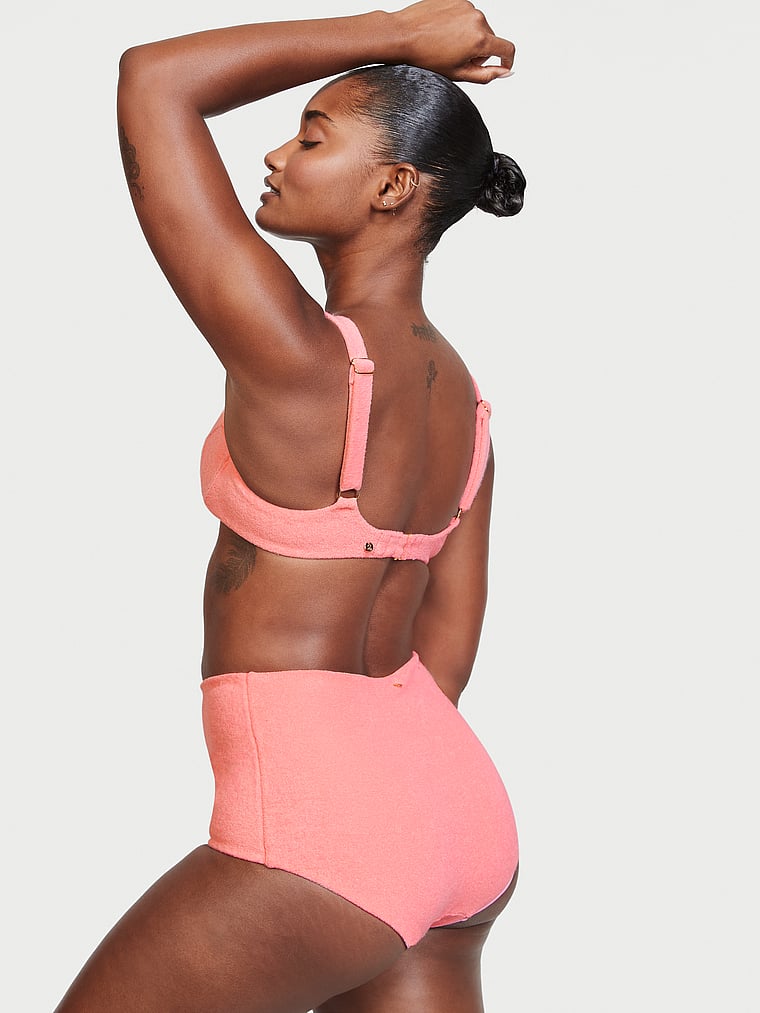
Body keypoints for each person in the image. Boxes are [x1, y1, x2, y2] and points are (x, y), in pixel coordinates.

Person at [56, 1, 526, 1009]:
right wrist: (395, 826)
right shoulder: (467, 405)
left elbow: (155, 81)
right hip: (454, 807)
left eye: (312, 137)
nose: (274, 154)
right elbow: (444, 647)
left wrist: (400, 32)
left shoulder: (300, 357)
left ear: (392, 186)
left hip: (323, 835)